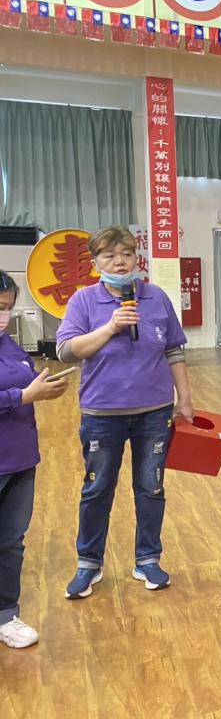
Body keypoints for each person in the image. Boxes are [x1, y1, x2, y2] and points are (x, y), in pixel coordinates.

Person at [56, 226, 194, 599]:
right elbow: (66, 352)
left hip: (154, 411)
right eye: (110, 255)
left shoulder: (156, 297)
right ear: (96, 262)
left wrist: (184, 398)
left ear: (137, 258)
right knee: (97, 487)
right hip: (102, 412)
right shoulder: (84, 301)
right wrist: (110, 327)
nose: (120, 262)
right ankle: (89, 563)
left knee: (151, 486)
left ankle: (147, 558)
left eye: (127, 254)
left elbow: (174, 350)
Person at [0, 271, 70, 648]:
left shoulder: (10, 346)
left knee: (11, 541)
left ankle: (5, 614)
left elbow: (25, 384)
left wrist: (44, 390)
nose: (3, 317)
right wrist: (24, 396)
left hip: (20, 459)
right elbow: (20, 393)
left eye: (8, 308)